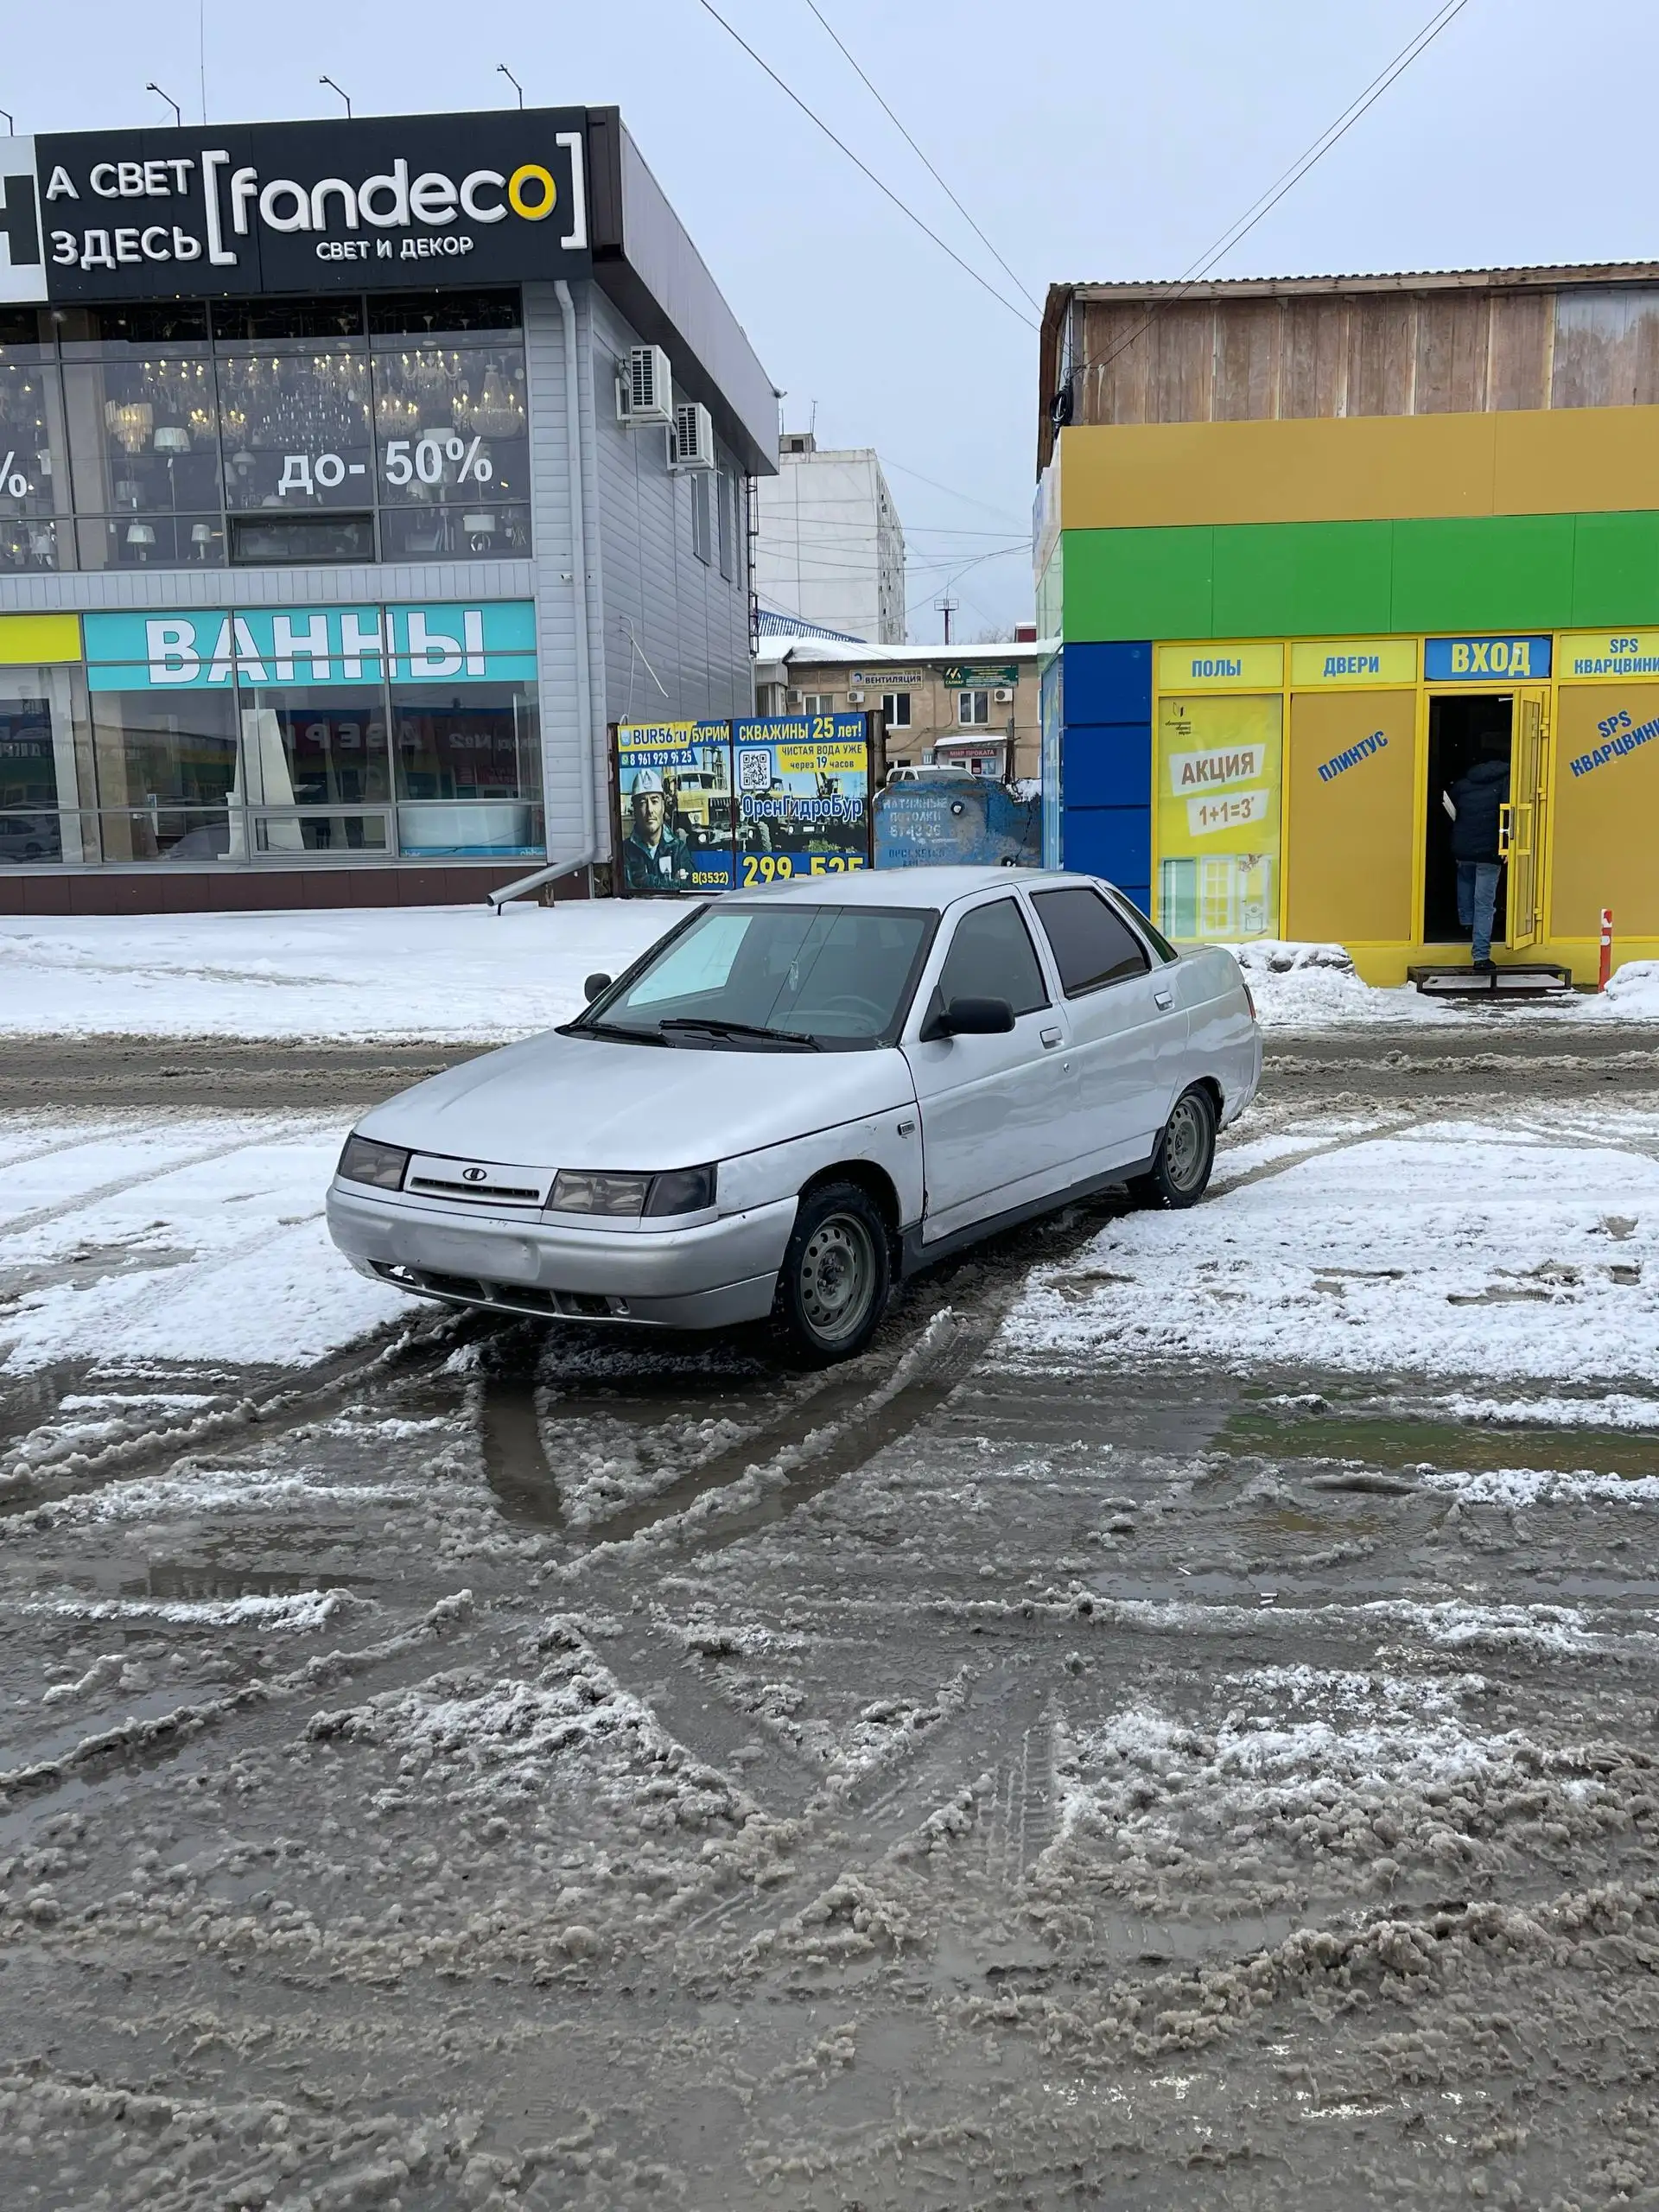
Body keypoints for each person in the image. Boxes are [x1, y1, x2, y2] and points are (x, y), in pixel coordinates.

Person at [1447, 743, 1511, 970]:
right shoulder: (1507, 781)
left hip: (1463, 847)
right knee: (1484, 903)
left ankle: (1466, 922)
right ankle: (1481, 956)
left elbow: (1451, 808)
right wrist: (1507, 847)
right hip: (1489, 850)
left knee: (1465, 883)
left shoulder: (1464, 784)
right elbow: (1509, 813)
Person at [621, 767, 691, 893]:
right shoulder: (625, 851)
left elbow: (690, 889)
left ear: (663, 806)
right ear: (635, 809)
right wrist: (671, 884)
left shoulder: (678, 849)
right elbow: (629, 891)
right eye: (642, 802)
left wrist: (645, 881)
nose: (649, 810)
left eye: (654, 801)